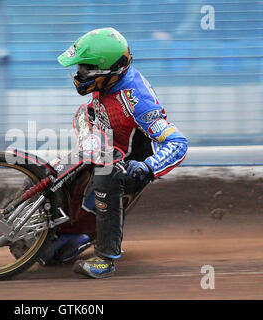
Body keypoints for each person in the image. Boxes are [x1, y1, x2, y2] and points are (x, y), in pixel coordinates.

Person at [40, 27, 188, 279]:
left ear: (109, 70)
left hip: (128, 168)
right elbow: (86, 114)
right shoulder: (108, 84)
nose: (79, 75)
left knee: (105, 178)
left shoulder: (137, 100)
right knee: (50, 172)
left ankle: (106, 258)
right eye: (79, 69)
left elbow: (177, 143)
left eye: (85, 69)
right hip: (104, 151)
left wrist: (147, 167)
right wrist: (90, 142)